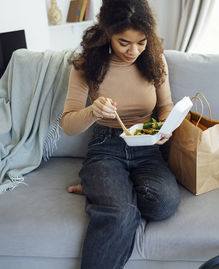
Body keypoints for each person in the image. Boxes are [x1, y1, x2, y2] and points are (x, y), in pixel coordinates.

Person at [60, 0, 180, 268]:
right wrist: (93, 111)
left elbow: (165, 105)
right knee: (118, 213)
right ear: (107, 33)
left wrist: (164, 127)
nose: (133, 51)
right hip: (106, 145)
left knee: (163, 205)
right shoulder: (86, 65)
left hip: (147, 145)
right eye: (124, 42)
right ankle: (107, 193)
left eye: (141, 42)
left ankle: (101, 189)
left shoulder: (154, 59)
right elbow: (68, 125)